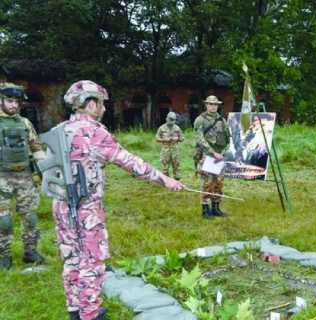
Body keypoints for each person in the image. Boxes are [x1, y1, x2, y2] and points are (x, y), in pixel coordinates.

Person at [44, 80, 183, 320]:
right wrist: (165, 180)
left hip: (61, 206)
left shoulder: (58, 130)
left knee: (71, 259)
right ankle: (91, 314)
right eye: (101, 104)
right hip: (86, 209)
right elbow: (130, 162)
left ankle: (75, 310)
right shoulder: (95, 131)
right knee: (92, 262)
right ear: (89, 104)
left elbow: (47, 169)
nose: (104, 109)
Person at [0, 82, 46, 270]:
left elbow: (36, 148)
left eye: (17, 102)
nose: (13, 105)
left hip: (24, 176)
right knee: (4, 220)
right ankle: (4, 256)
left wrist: (45, 174)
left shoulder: (25, 123)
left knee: (31, 217)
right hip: (1, 177)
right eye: (9, 101)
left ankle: (30, 252)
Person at [193, 95, 230, 218]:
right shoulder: (200, 120)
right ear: (206, 105)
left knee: (219, 182)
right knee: (208, 183)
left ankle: (216, 208)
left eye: (215, 104)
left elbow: (228, 138)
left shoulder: (222, 120)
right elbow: (200, 139)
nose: (213, 106)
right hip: (208, 156)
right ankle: (205, 209)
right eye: (210, 104)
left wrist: (223, 152)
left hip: (220, 156)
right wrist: (213, 153)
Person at [155, 112, 184, 180]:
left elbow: (182, 138)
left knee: (176, 163)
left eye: (173, 120)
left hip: (175, 148)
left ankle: (176, 177)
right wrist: (164, 139)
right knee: (165, 164)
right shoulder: (161, 128)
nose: (171, 121)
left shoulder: (177, 128)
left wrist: (177, 139)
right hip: (165, 148)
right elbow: (157, 138)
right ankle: (166, 178)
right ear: (166, 119)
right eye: (170, 119)